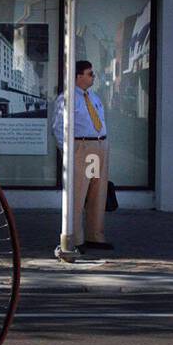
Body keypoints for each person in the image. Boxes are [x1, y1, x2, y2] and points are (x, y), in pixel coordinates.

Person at [52, 59, 114, 252]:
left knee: (96, 192)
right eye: (90, 73)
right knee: (78, 194)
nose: (93, 77)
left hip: (98, 146)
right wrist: (69, 152)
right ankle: (76, 239)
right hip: (82, 147)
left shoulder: (93, 97)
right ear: (78, 76)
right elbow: (58, 127)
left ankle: (95, 235)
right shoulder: (67, 98)